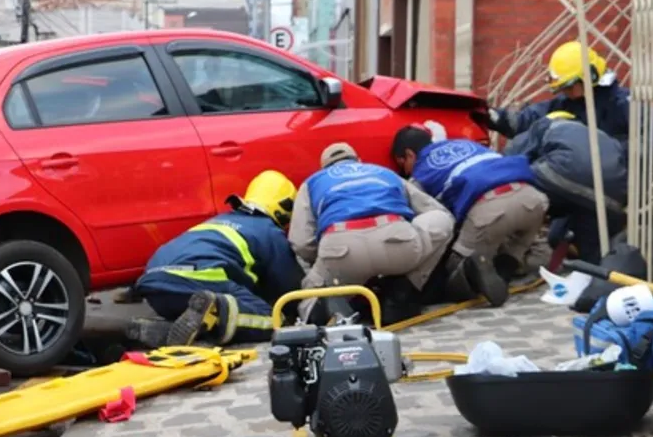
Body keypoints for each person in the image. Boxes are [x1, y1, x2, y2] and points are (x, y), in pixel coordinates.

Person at [127, 170, 304, 347]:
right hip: (201, 279)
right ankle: (215, 310)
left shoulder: (219, 220)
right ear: (285, 209)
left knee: (195, 315)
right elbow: (289, 290)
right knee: (274, 321)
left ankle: (165, 329)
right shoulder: (269, 232)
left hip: (155, 287)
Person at [287, 143, 457, 323]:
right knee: (442, 219)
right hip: (397, 241)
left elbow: (301, 242)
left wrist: (323, 261)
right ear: (359, 161)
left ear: (324, 168)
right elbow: (434, 209)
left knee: (311, 293)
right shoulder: (383, 172)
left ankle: (324, 310)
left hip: (341, 251)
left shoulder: (313, 182)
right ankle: (402, 292)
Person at [391, 125, 550, 305]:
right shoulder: (469, 145)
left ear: (409, 154)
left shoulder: (421, 173)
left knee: (455, 267)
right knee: (517, 244)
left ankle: (472, 269)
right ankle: (504, 273)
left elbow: (428, 216)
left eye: (402, 164)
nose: (405, 171)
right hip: (534, 198)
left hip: (490, 208)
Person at [503, 111, 628, 265]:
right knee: (584, 243)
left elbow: (510, 163)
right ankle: (594, 273)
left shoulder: (542, 126)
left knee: (517, 188)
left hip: (564, 175)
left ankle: (510, 257)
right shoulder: (599, 134)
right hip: (611, 198)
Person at [488, 41, 630, 144]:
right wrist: (494, 117)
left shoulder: (624, 105)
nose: (565, 92)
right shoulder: (568, 103)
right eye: (562, 88)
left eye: (568, 87)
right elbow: (530, 118)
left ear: (588, 77)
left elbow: (648, 142)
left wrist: (612, 151)